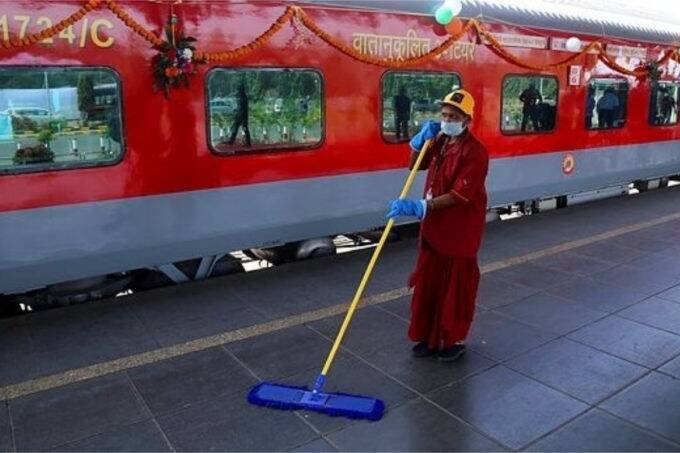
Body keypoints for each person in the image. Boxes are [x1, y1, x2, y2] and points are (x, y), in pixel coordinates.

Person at [386, 89, 489, 362]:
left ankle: (452, 340)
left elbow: (459, 195)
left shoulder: (476, 152)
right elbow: (415, 166)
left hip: (459, 230)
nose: (447, 120)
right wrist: (418, 143)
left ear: (467, 120)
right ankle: (428, 338)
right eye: (444, 115)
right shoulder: (441, 139)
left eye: (454, 116)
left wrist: (421, 207)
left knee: (456, 287)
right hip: (434, 227)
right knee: (429, 283)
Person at [228, 82, 251, 147]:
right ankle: (231, 141)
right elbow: (240, 107)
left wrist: (238, 114)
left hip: (242, 115)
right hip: (241, 115)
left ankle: (248, 143)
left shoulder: (242, 97)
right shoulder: (242, 96)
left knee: (244, 128)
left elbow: (241, 107)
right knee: (236, 127)